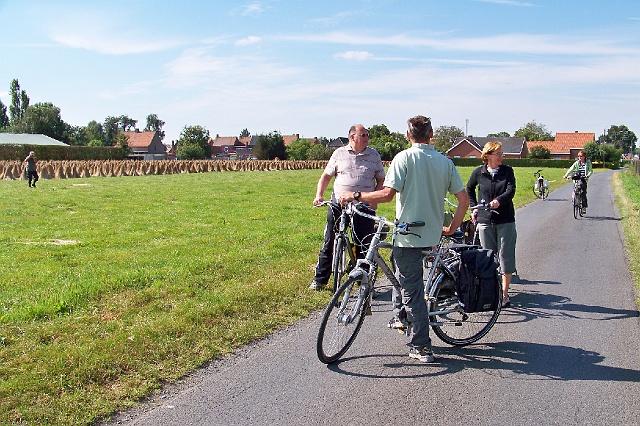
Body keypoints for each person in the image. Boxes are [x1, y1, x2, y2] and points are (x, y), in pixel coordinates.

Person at [339, 116, 469, 363]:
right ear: (431, 135)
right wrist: (452, 228)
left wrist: (355, 195)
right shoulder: (445, 162)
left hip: (410, 236)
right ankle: (401, 316)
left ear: (408, 136)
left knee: (413, 292)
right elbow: (464, 200)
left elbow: (387, 195)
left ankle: (422, 346)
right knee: (399, 270)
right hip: (430, 233)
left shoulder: (404, 158)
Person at [310, 124, 385, 290]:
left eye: (367, 135)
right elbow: (326, 176)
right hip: (339, 204)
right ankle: (320, 280)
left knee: (364, 244)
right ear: (352, 137)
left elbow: (381, 180)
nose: (367, 138)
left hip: (364, 206)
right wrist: (319, 195)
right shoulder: (339, 153)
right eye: (363, 135)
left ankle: (364, 283)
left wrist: (375, 199)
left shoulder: (373, 155)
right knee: (329, 241)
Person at [466, 141, 517, 308]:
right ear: (487, 156)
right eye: (498, 154)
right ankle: (490, 290)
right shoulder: (479, 173)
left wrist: (498, 201)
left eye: (502, 154)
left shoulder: (507, 171)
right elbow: (469, 188)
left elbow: (511, 191)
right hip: (485, 220)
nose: (502, 157)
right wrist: (474, 207)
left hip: (505, 220)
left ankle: (504, 294)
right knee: (488, 257)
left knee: (505, 256)